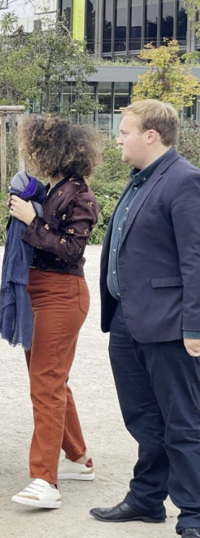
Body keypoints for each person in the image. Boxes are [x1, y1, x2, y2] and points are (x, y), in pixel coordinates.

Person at [90, 99, 200, 538]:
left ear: (150, 135)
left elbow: (195, 260)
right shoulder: (140, 180)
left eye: (124, 131)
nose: (118, 138)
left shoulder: (185, 181)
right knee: (142, 418)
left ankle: (193, 512)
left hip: (170, 325)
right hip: (128, 321)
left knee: (183, 421)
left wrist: (195, 326)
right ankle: (147, 499)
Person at [7, 116, 102, 510]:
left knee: (45, 383)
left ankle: (44, 480)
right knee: (52, 381)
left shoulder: (80, 195)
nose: (33, 156)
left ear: (53, 150)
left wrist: (31, 219)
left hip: (61, 294)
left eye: (37, 149)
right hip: (42, 292)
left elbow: (71, 249)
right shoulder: (57, 189)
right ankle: (78, 459)